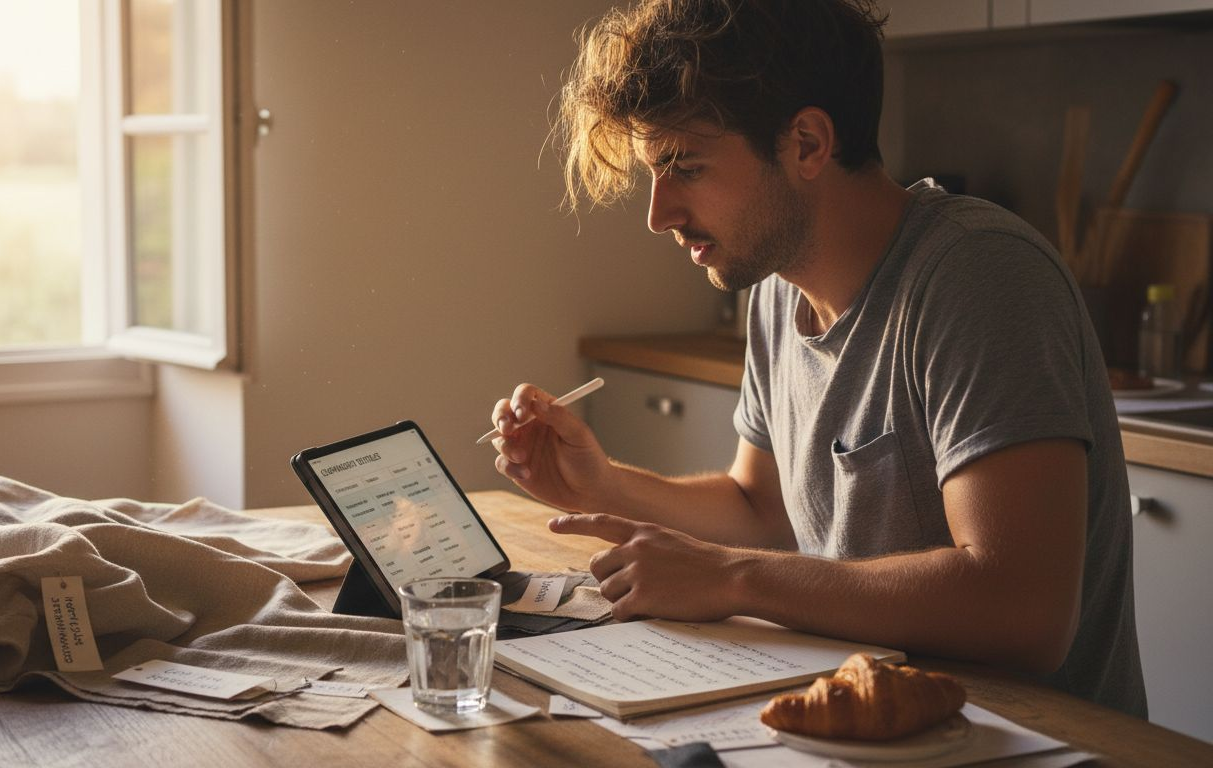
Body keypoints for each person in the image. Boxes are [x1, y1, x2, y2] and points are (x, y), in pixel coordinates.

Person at [489, 0, 1145, 717]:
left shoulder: (980, 276)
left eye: (686, 166)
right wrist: (604, 485)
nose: (659, 214)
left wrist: (734, 578)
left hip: (1024, 742)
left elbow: (1024, 609)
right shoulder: (776, 288)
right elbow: (762, 509)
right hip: (867, 729)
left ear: (806, 143)